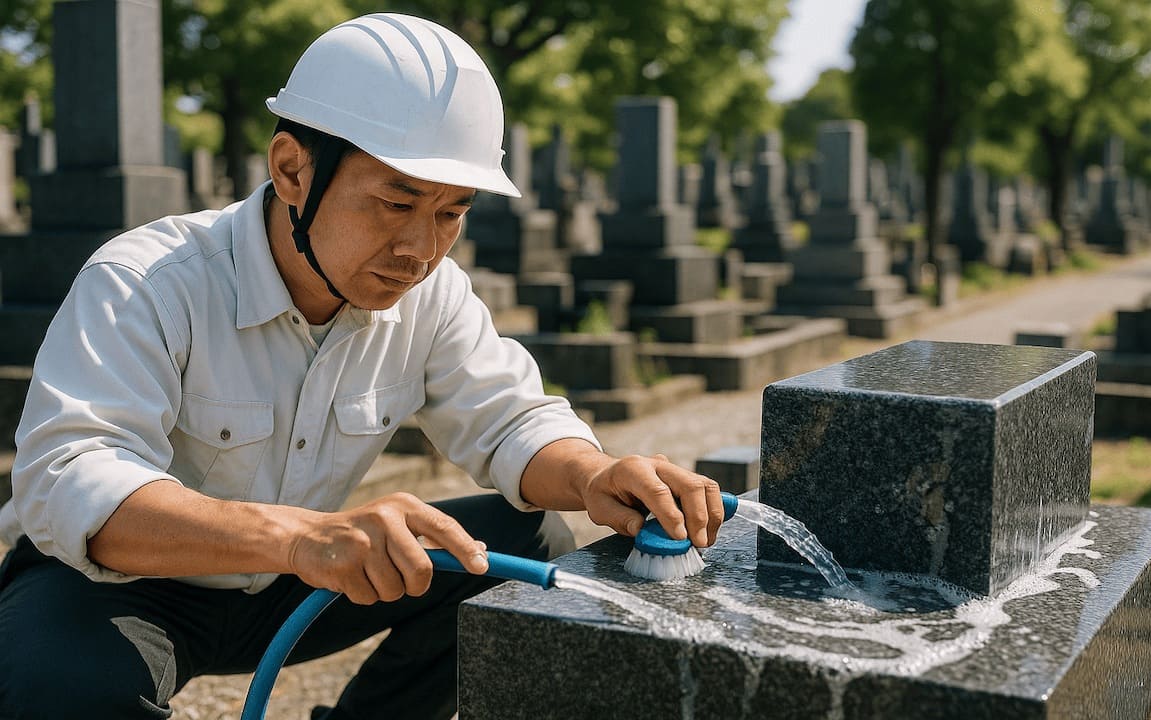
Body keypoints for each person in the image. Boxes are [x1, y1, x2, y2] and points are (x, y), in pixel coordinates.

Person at [0, 13, 725, 720]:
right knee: (56, 688)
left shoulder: (430, 294)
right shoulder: (147, 281)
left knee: (523, 540)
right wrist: (297, 537)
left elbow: (509, 419)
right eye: (394, 201)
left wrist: (595, 475)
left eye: (451, 213)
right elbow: (71, 478)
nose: (420, 247)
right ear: (291, 170)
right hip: (120, 589)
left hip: (300, 579)